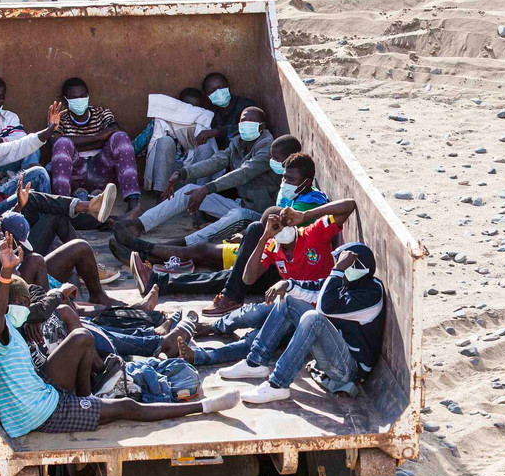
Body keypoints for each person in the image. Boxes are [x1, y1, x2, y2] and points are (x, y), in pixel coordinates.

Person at [0, 235, 241, 438]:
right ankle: (204, 406)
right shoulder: (5, 325)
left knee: (85, 334)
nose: (28, 307)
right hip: (40, 409)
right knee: (126, 407)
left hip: (41, 392)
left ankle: (92, 393)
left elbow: (31, 311)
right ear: (11, 305)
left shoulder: (15, 322)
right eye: (23, 302)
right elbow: (2, 314)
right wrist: (7, 273)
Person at [135, 198, 358, 368]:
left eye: (283, 225)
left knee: (256, 339)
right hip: (286, 304)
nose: (282, 231)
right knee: (249, 314)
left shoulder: (312, 233)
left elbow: (349, 205)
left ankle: (203, 356)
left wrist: (305, 214)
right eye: (275, 228)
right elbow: (248, 278)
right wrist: (264, 238)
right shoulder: (272, 247)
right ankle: (212, 327)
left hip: (311, 312)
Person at [113, 144, 325, 294]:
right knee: (209, 260)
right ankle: (145, 252)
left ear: (306, 181)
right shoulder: (293, 191)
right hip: (270, 255)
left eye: (289, 178)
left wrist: (251, 239)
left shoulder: (308, 203)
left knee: (212, 265)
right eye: (285, 176)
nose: (284, 180)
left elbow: (243, 176)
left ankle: (146, 257)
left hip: (275, 260)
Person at [219, 243, 386, 404]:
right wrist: (288, 284)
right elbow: (318, 288)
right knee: (289, 300)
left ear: (359, 269)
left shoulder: (371, 294)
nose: (339, 270)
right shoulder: (350, 283)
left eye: (344, 266)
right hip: (334, 355)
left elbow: (325, 307)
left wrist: (338, 270)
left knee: (313, 319)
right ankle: (255, 362)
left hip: (348, 369)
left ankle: (278, 384)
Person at [122, 106, 276, 247]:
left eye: (251, 121)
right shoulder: (238, 143)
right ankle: (140, 224)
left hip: (260, 215)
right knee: (188, 191)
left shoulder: (268, 147)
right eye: (243, 120)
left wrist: (207, 188)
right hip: (241, 204)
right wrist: (183, 173)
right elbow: (216, 161)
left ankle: (179, 245)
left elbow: (243, 173)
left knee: (237, 214)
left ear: (262, 126)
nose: (245, 124)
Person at [50, 77, 142, 212]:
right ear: (66, 99)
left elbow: (114, 131)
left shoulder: (102, 113)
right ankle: (63, 207)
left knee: (121, 138)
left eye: (82, 96)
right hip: (75, 172)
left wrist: (76, 144)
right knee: (62, 143)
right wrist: (98, 137)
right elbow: (55, 142)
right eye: (74, 97)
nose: (79, 100)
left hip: (102, 169)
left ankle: (133, 202)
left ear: (88, 96)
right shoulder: (60, 119)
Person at [0, 210, 122, 306]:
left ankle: (96, 296)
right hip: (21, 287)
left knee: (79, 249)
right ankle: (57, 305)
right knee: (35, 259)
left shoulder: (3, 239)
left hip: (33, 275)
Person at [142, 88, 219, 191]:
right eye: (186, 106)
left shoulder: (203, 125)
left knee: (206, 149)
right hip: (169, 176)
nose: (190, 111)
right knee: (165, 141)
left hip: (193, 175)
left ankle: (202, 196)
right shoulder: (165, 120)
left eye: (195, 108)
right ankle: (161, 194)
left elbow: (214, 155)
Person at [201, 72, 256, 146]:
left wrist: (219, 132)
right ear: (207, 95)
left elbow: (253, 128)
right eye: (212, 91)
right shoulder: (210, 113)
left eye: (221, 87)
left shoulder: (245, 106)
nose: (218, 92)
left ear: (228, 87)